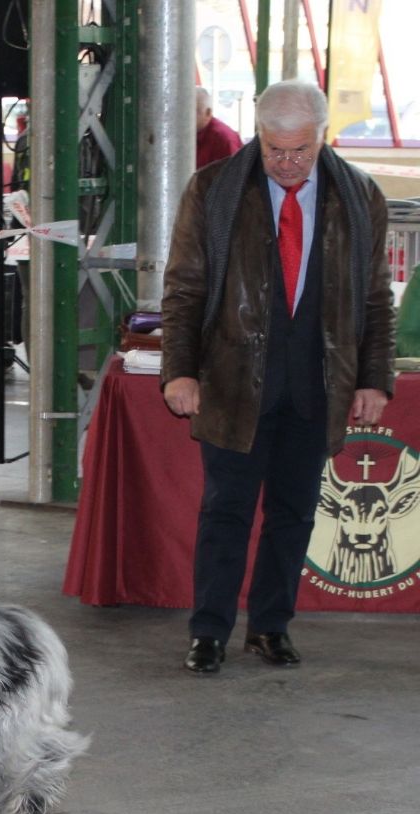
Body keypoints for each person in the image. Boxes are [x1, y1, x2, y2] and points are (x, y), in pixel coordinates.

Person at [161, 79, 395, 675]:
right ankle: (209, 631)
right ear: (259, 134)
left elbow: (374, 300)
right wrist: (180, 371)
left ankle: (270, 626)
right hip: (233, 380)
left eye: (300, 151)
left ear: (323, 137)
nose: (287, 164)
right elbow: (184, 289)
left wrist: (374, 379)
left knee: (295, 513)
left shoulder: (360, 196)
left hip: (319, 383)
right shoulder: (213, 190)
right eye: (274, 150)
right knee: (225, 511)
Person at [195, 86, 242, 169]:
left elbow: (234, 176)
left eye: (194, 111)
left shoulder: (223, 139)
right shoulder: (188, 135)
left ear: (208, 112)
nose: (186, 117)